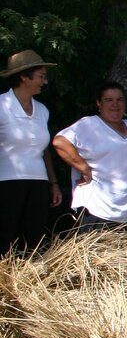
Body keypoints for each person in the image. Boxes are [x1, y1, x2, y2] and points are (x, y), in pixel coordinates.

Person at [52, 81, 127, 230]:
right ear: (99, 103)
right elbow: (60, 142)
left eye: (120, 100)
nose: (115, 104)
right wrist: (83, 167)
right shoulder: (89, 124)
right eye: (109, 100)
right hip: (97, 207)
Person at [0, 50, 61, 255]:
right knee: (5, 236)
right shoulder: (1, 105)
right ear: (24, 76)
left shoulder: (42, 110)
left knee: (33, 239)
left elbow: (44, 150)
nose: (44, 82)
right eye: (41, 76)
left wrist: (53, 183)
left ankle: (29, 283)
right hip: (6, 181)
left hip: (38, 183)